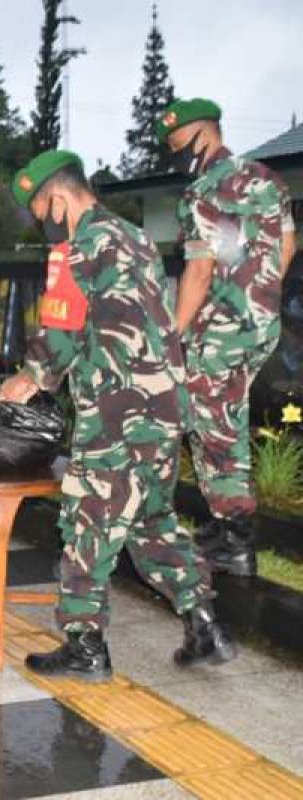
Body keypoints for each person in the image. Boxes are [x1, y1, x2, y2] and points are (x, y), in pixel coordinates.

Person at [0, 150, 233, 681]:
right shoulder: (136, 237)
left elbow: (61, 325)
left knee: (89, 520)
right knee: (151, 520)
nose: (43, 225)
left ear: (57, 198)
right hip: (164, 405)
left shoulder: (78, 247)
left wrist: (32, 376)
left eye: (41, 212)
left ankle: (84, 644)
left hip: (117, 408)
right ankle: (204, 623)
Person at [160, 98, 297, 577]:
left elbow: (198, 271)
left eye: (178, 146)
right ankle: (224, 525)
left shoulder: (202, 192)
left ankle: (236, 540)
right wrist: (259, 299)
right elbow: (287, 246)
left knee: (215, 427)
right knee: (225, 417)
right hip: (261, 323)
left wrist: (173, 333)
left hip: (218, 330)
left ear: (204, 135)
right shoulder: (267, 178)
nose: (176, 156)